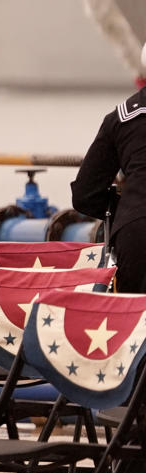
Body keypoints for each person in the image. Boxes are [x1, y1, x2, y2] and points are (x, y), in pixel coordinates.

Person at [70, 43, 146, 291]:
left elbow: (85, 194)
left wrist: (125, 209)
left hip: (137, 233)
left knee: (136, 325)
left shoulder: (120, 119)